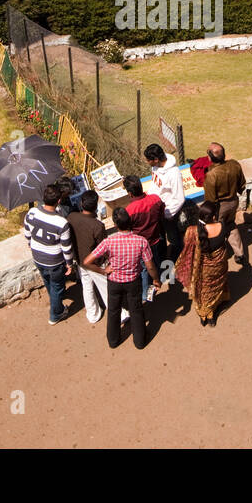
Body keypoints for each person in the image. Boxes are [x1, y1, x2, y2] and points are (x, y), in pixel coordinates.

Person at [82, 206, 162, 349]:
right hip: (133, 281)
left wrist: (103, 271)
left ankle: (113, 341)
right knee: (136, 310)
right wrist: (155, 279)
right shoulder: (141, 241)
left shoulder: (109, 242)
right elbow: (150, 266)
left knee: (113, 310)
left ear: (115, 225)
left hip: (114, 282)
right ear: (130, 222)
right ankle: (140, 341)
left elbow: (87, 261)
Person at [22, 183, 75, 325]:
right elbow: (66, 247)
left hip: (37, 257)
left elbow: (27, 233)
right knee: (57, 286)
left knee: (47, 281)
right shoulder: (61, 222)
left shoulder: (31, 213)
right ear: (58, 201)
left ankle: (55, 301)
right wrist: (69, 264)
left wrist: (31, 244)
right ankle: (55, 314)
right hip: (55, 261)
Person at [174, 200, 230, 327]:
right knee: (216, 287)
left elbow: (188, 249)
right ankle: (212, 314)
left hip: (203, 269)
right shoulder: (221, 226)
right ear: (214, 216)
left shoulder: (192, 231)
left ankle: (205, 314)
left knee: (204, 290)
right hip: (219, 266)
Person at [202, 143, 249, 267]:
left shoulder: (211, 175)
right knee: (230, 225)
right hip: (234, 202)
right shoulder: (234, 164)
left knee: (217, 229)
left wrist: (210, 214)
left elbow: (210, 200)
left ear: (210, 157)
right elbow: (242, 185)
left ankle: (218, 256)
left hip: (220, 207)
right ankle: (239, 254)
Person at [66, 190, 110, 323]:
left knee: (87, 287)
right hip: (95, 263)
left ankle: (93, 314)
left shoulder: (72, 217)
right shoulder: (97, 225)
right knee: (105, 288)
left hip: (80, 260)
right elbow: (103, 247)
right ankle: (120, 314)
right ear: (95, 207)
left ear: (81, 204)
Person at [121, 176, 165, 304]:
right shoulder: (155, 199)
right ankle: (157, 280)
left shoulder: (130, 210)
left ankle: (145, 293)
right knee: (155, 261)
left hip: (140, 245)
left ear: (129, 193)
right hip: (155, 239)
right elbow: (162, 213)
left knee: (145, 268)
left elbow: (127, 229)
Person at [145, 143, 186, 261]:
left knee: (173, 237)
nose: (147, 162)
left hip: (168, 212)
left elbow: (179, 198)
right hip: (157, 209)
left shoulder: (174, 173)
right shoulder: (155, 166)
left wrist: (168, 214)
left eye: (149, 160)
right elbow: (155, 184)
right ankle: (163, 256)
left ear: (156, 159)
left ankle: (177, 258)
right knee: (160, 236)